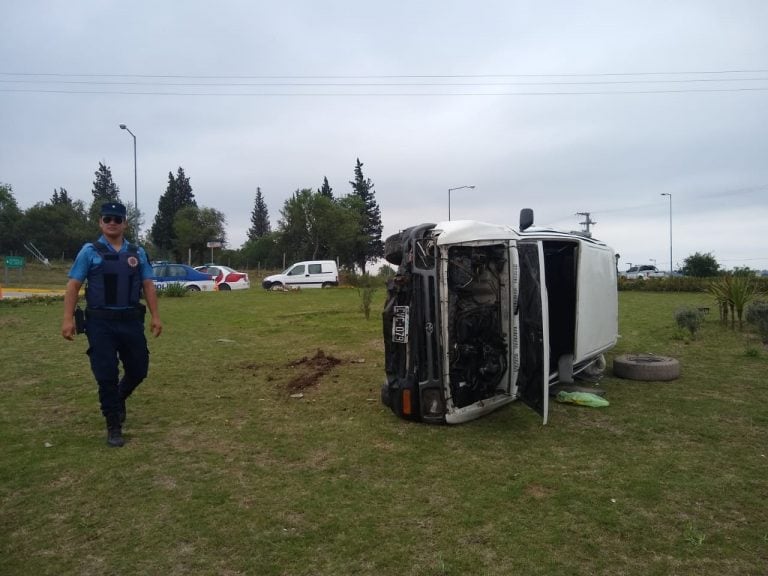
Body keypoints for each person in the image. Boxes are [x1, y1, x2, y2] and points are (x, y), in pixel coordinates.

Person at [61, 202, 162, 447]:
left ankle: (118, 398)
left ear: (125, 223)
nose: (113, 223)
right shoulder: (89, 251)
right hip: (100, 323)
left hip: (130, 321)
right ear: (100, 222)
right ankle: (113, 425)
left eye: (118, 219)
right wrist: (67, 319)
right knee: (106, 374)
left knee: (139, 370)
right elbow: (73, 285)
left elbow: (148, 284)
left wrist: (156, 316)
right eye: (108, 218)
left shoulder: (137, 252)